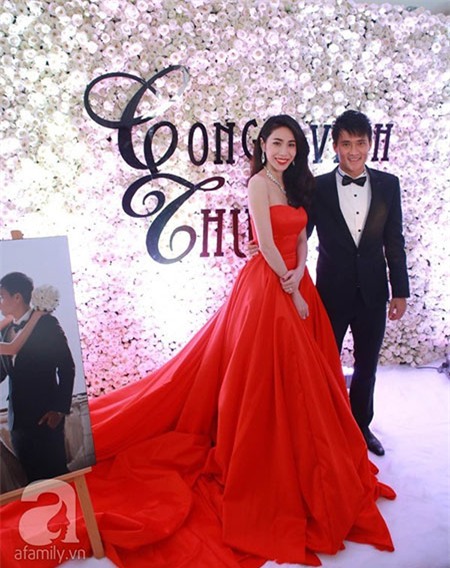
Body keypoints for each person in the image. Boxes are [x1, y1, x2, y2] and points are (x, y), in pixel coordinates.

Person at [0, 117, 395, 567]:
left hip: (296, 281)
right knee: (263, 374)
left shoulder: (296, 184)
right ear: (263, 145)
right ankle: (266, 451)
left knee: (304, 376)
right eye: (276, 143)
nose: (284, 151)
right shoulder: (259, 184)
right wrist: (290, 287)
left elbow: (303, 236)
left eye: (290, 144)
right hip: (270, 289)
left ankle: (306, 451)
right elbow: (265, 242)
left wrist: (299, 273)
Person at [308, 110, 409, 456]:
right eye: (346, 144)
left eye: (360, 143)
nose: (354, 151)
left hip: (373, 292)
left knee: (367, 365)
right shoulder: (317, 187)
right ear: (335, 146)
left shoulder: (388, 184)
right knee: (325, 365)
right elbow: (300, 234)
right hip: (330, 292)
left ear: (370, 144)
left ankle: (361, 426)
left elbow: (394, 241)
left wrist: (400, 291)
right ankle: (326, 427)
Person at [0, 272, 75, 483]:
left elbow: (66, 367)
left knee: (57, 475)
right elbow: (5, 368)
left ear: (17, 297)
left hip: (45, 418)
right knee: (33, 480)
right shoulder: (6, 331)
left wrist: (59, 410)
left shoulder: (47, 324)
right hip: (18, 422)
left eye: (1, 297)